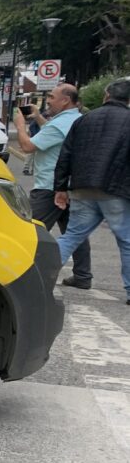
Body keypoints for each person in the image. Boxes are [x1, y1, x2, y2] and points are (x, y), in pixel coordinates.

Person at [54, 78, 130, 305]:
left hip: (82, 187)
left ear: (107, 95)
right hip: (115, 188)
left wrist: (60, 187)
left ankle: (39, 278)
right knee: (126, 241)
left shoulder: (84, 119)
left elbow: (65, 154)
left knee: (71, 236)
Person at [11, 84, 90, 287]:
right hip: (70, 184)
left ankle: (22, 275)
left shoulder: (59, 124)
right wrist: (38, 118)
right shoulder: (76, 119)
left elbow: (27, 146)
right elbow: (53, 133)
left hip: (50, 186)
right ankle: (82, 275)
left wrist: (20, 125)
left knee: (29, 229)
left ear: (65, 100)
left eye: (52, 97)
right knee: (75, 232)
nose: (48, 101)